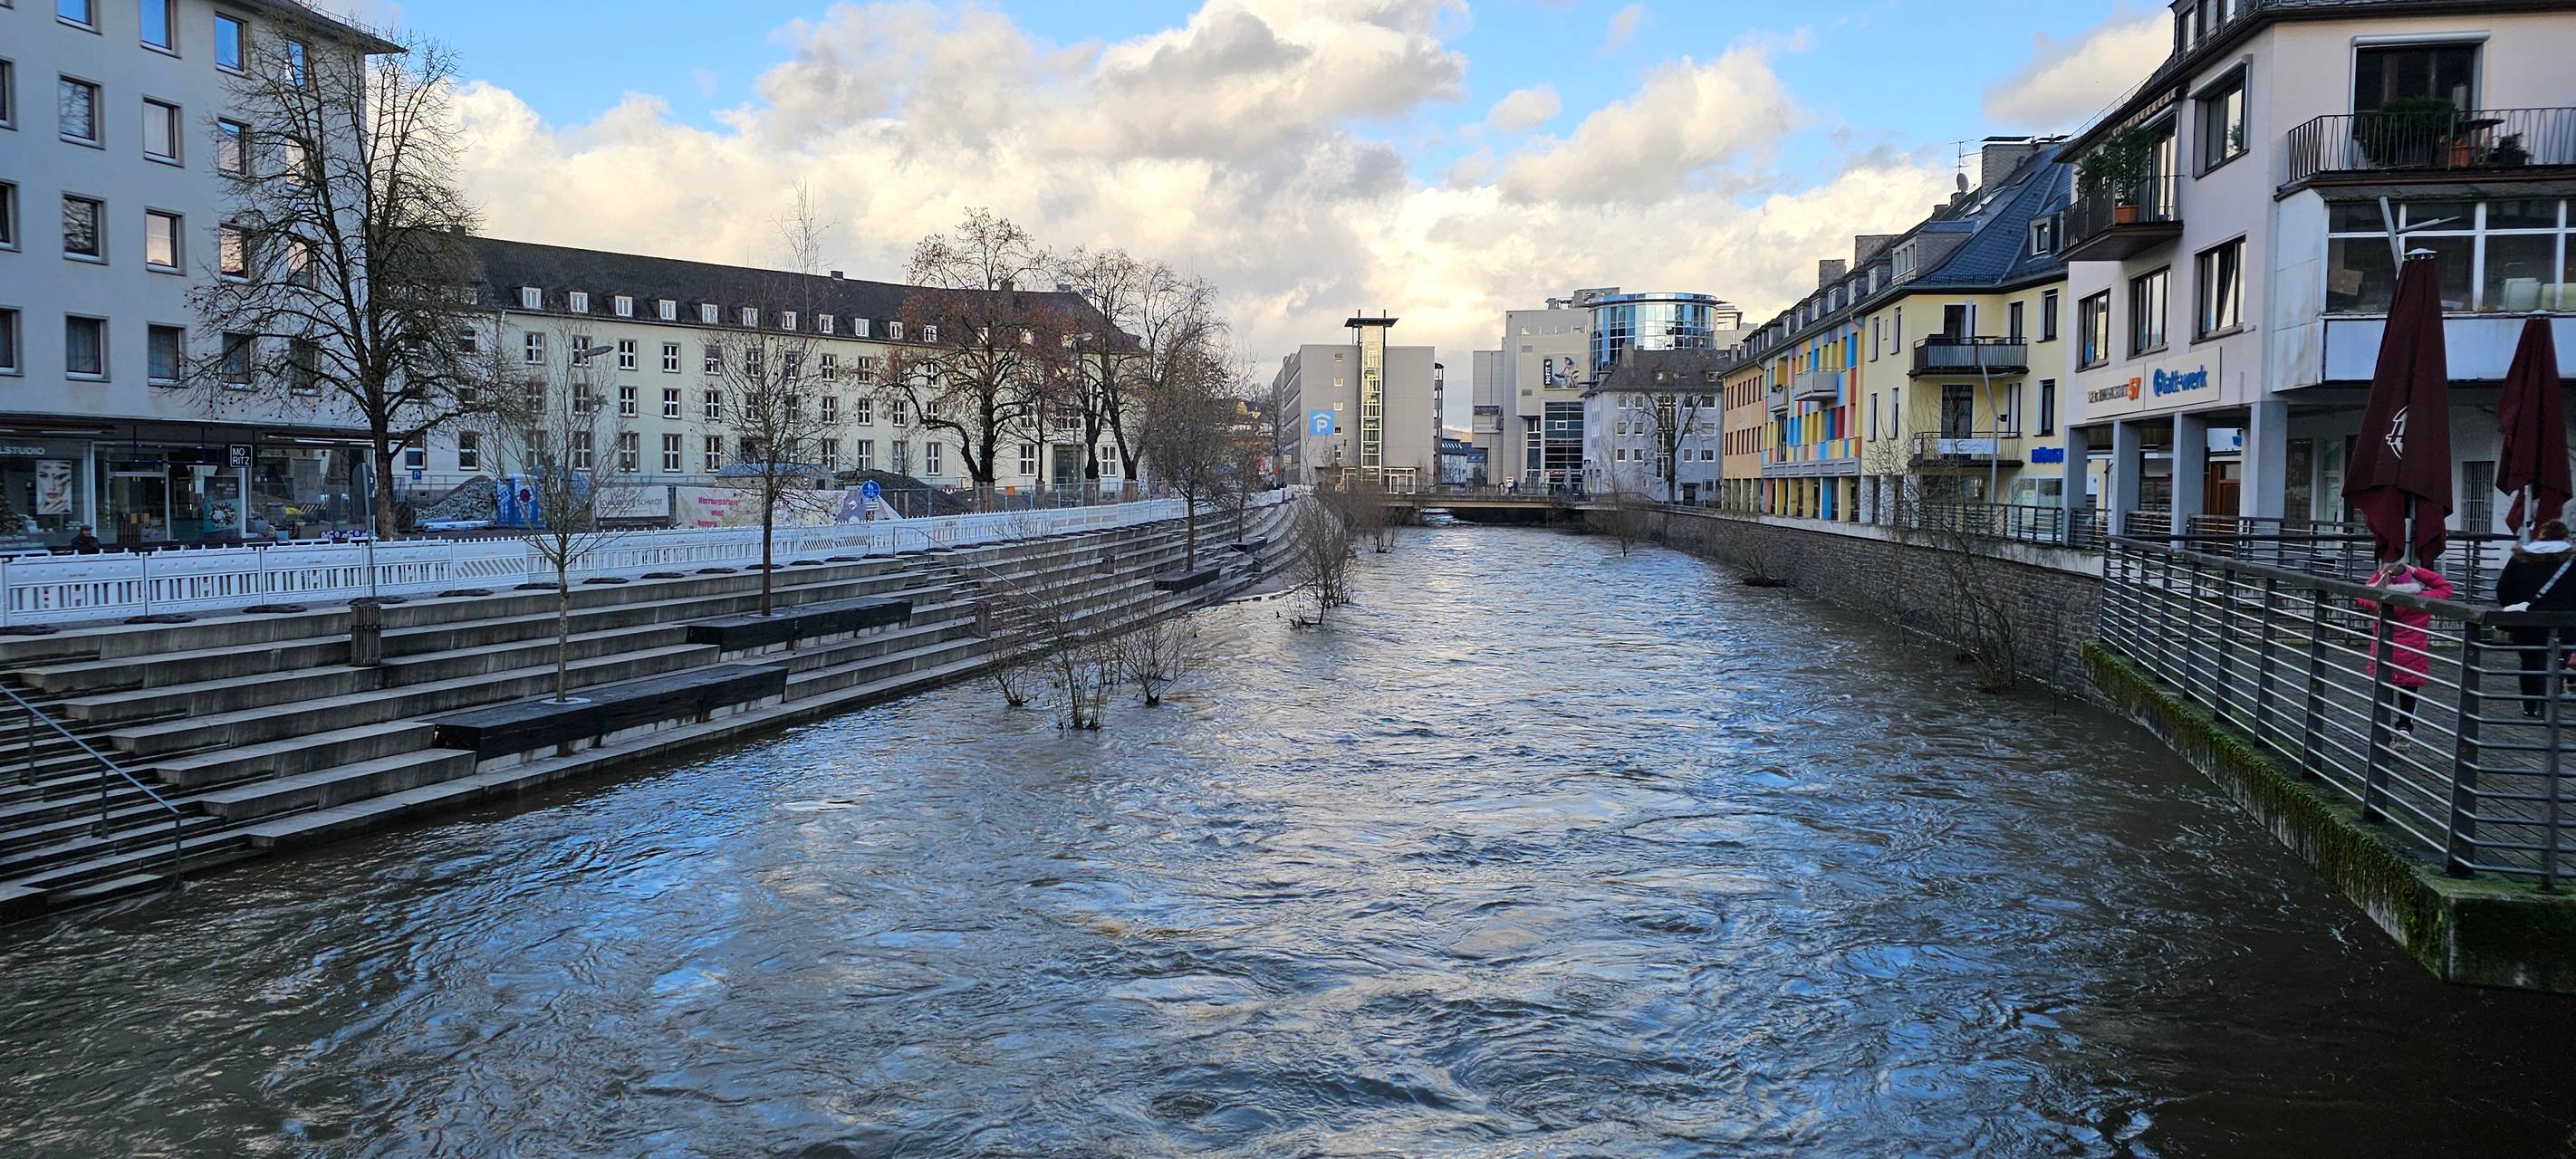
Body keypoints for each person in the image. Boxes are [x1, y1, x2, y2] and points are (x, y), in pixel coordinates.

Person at [2359, 555, 2455, 742]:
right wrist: (2415, 570)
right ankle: (2404, 727)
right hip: (2413, 655)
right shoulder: (2422, 599)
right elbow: (2446, 587)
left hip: (2384, 654)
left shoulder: (2375, 599)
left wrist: (2382, 573)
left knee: (2383, 694)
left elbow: (2362, 593)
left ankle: (2382, 732)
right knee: (2409, 692)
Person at [2495, 519, 2576, 718]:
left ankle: (2531, 704)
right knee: (2560, 659)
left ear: (2541, 535)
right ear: (2566, 537)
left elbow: (2503, 588)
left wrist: (2513, 606)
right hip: (2566, 621)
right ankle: (2554, 700)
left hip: (2528, 619)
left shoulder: (2520, 558)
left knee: (2530, 661)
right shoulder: (2572, 560)